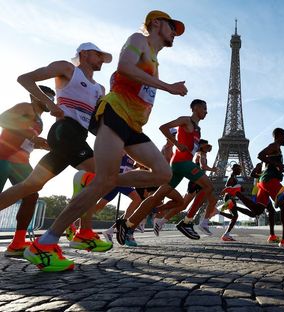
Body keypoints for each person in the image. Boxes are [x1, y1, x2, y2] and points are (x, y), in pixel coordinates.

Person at [25, 10, 187, 272]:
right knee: (104, 180)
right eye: (172, 27)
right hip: (114, 114)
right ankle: (45, 243)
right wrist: (168, 87)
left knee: (162, 173)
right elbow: (123, 68)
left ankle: (106, 179)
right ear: (156, 23)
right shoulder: (139, 39)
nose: (174, 34)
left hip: (134, 125)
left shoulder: (155, 60)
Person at [0, 42, 112, 271]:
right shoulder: (67, 68)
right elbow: (24, 78)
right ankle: (81, 232)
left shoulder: (100, 89)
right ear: (84, 53)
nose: (101, 59)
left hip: (75, 136)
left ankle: (78, 231)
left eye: (103, 57)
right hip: (64, 132)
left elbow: (94, 124)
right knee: (102, 175)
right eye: (98, 55)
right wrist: (51, 104)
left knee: (30, 186)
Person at [115, 99, 214, 243]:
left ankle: (128, 224)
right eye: (204, 108)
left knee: (156, 197)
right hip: (182, 163)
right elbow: (163, 127)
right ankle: (187, 222)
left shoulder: (198, 129)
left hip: (179, 165)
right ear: (196, 108)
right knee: (208, 186)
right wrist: (177, 144)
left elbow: (191, 146)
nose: (206, 112)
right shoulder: (185, 120)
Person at [0, 85, 55, 257]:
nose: (50, 101)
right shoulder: (26, 106)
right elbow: (3, 119)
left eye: (52, 98)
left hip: (22, 162)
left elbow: (26, 140)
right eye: (46, 96)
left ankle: (17, 243)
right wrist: (31, 137)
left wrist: (39, 145)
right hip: (3, 155)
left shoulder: (41, 120)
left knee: (32, 195)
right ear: (35, 96)